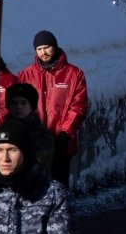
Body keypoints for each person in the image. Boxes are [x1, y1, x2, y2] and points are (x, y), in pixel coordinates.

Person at [17, 30, 88, 186]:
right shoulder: (25, 75)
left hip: (61, 144)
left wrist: (65, 133)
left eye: (47, 47)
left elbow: (79, 106)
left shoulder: (74, 74)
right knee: (33, 188)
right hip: (34, 144)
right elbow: (18, 107)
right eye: (39, 48)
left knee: (58, 188)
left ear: (55, 46)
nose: (43, 52)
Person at [5, 81, 55, 171]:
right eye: (14, 103)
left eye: (23, 103)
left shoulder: (42, 134)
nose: (18, 107)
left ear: (32, 106)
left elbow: (41, 164)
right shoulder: (2, 130)